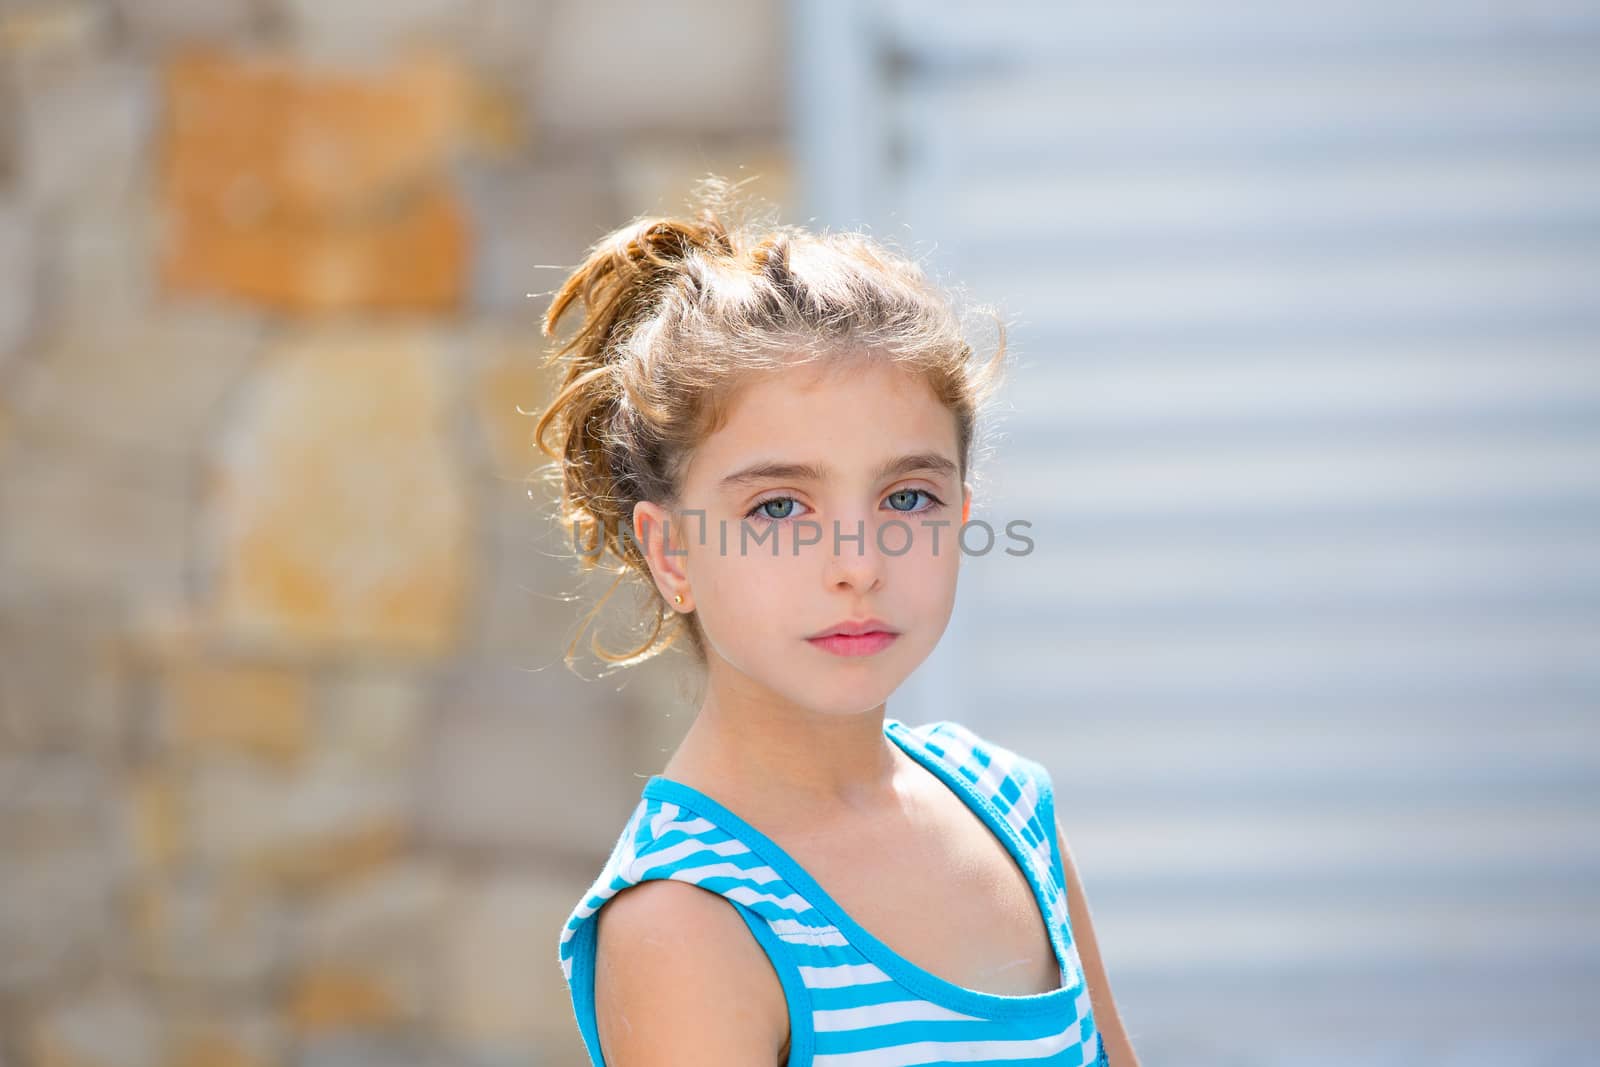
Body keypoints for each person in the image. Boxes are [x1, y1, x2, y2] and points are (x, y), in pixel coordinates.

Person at [539, 177, 1139, 1066]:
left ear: (963, 513)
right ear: (671, 555)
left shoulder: (1012, 808)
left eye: (906, 496)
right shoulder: (691, 919)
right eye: (780, 508)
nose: (859, 562)